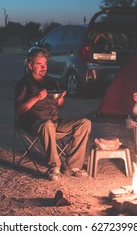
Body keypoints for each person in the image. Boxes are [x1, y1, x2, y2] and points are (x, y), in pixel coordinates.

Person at [15, 47, 91, 181]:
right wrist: (36, 98)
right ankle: (54, 167)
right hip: (34, 123)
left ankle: (74, 166)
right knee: (47, 125)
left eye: (45, 64)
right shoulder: (23, 84)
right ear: (30, 65)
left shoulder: (52, 81)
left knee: (85, 123)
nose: (43, 67)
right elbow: (18, 110)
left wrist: (61, 98)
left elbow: (59, 105)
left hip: (55, 122)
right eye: (39, 64)